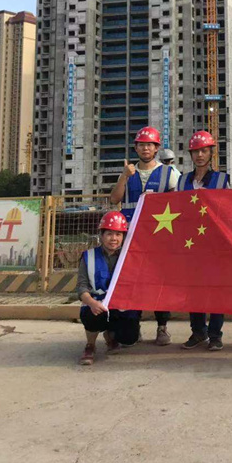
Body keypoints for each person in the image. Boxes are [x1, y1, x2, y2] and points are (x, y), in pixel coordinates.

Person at [109, 126, 178, 346]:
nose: (145, 148)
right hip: (131, 236)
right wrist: (123, 177)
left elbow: (180, 201)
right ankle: (134, 325)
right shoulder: (128, 172)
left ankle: (162, 327)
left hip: (159, 237)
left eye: (150, 145)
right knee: (134, 281)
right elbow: (114, 199)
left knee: (159, 281)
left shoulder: (169, 173)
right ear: (136, 147)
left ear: (157, 148)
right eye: (141, 144)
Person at [177, 130, 230, 352]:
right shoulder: (182, 181)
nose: (200, 155)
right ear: (190, 154)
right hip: (190, 243)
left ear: (211, 153)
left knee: (216, 289)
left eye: (204, 151)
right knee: (194, 289)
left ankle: (215, 335)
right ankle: (198, 332)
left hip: (215, 244)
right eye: (196, 151)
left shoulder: (222, 180)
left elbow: (229, 210)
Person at [77, 211, 140, 366]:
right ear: (101, 235)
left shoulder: (130, 257)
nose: (114, 239)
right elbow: (82, 287)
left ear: (123, 237)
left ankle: (110, 335)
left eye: (118, 234)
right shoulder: (89, 256)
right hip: (97, 305)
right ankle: (90, 346)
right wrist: (92, 303)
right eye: (109, 234)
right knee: (92, 316)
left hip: (121, 306)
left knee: (130, 338)